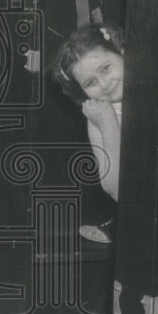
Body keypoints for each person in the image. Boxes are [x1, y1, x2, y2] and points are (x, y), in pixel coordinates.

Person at [49, 24, 125, 243]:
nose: (104, 84)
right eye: (90, 82)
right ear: (81, 91)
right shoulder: (99, 116)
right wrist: (108, 122)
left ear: (122, 52)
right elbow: (116, 190)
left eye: (105, 68)